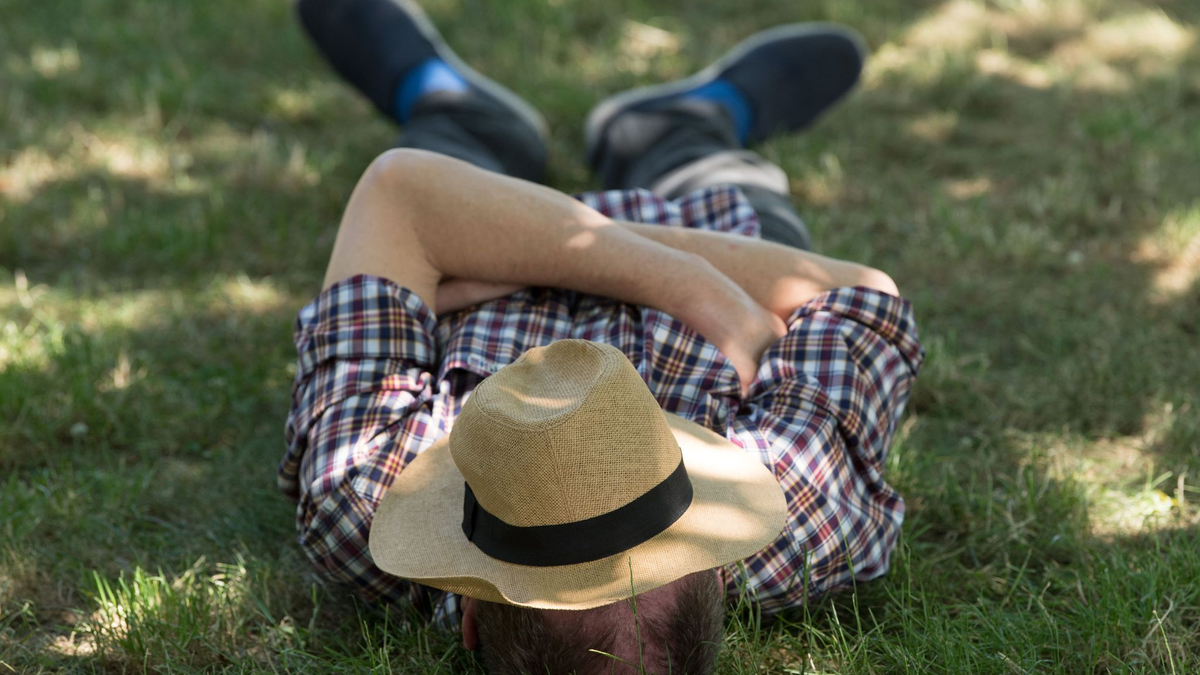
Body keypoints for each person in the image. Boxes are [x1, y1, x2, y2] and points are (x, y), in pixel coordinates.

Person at [280, 0, 925, 672]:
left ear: (469, 612)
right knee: (716, 174)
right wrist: (683, 278)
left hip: (527, 248)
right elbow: (859, 292)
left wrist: (674, 282)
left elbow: (400, 191)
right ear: (723, 572)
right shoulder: (799, 514)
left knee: (449, 146)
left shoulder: (366, 493)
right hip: (696, 235)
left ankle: (454, 106)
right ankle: (685, 125)